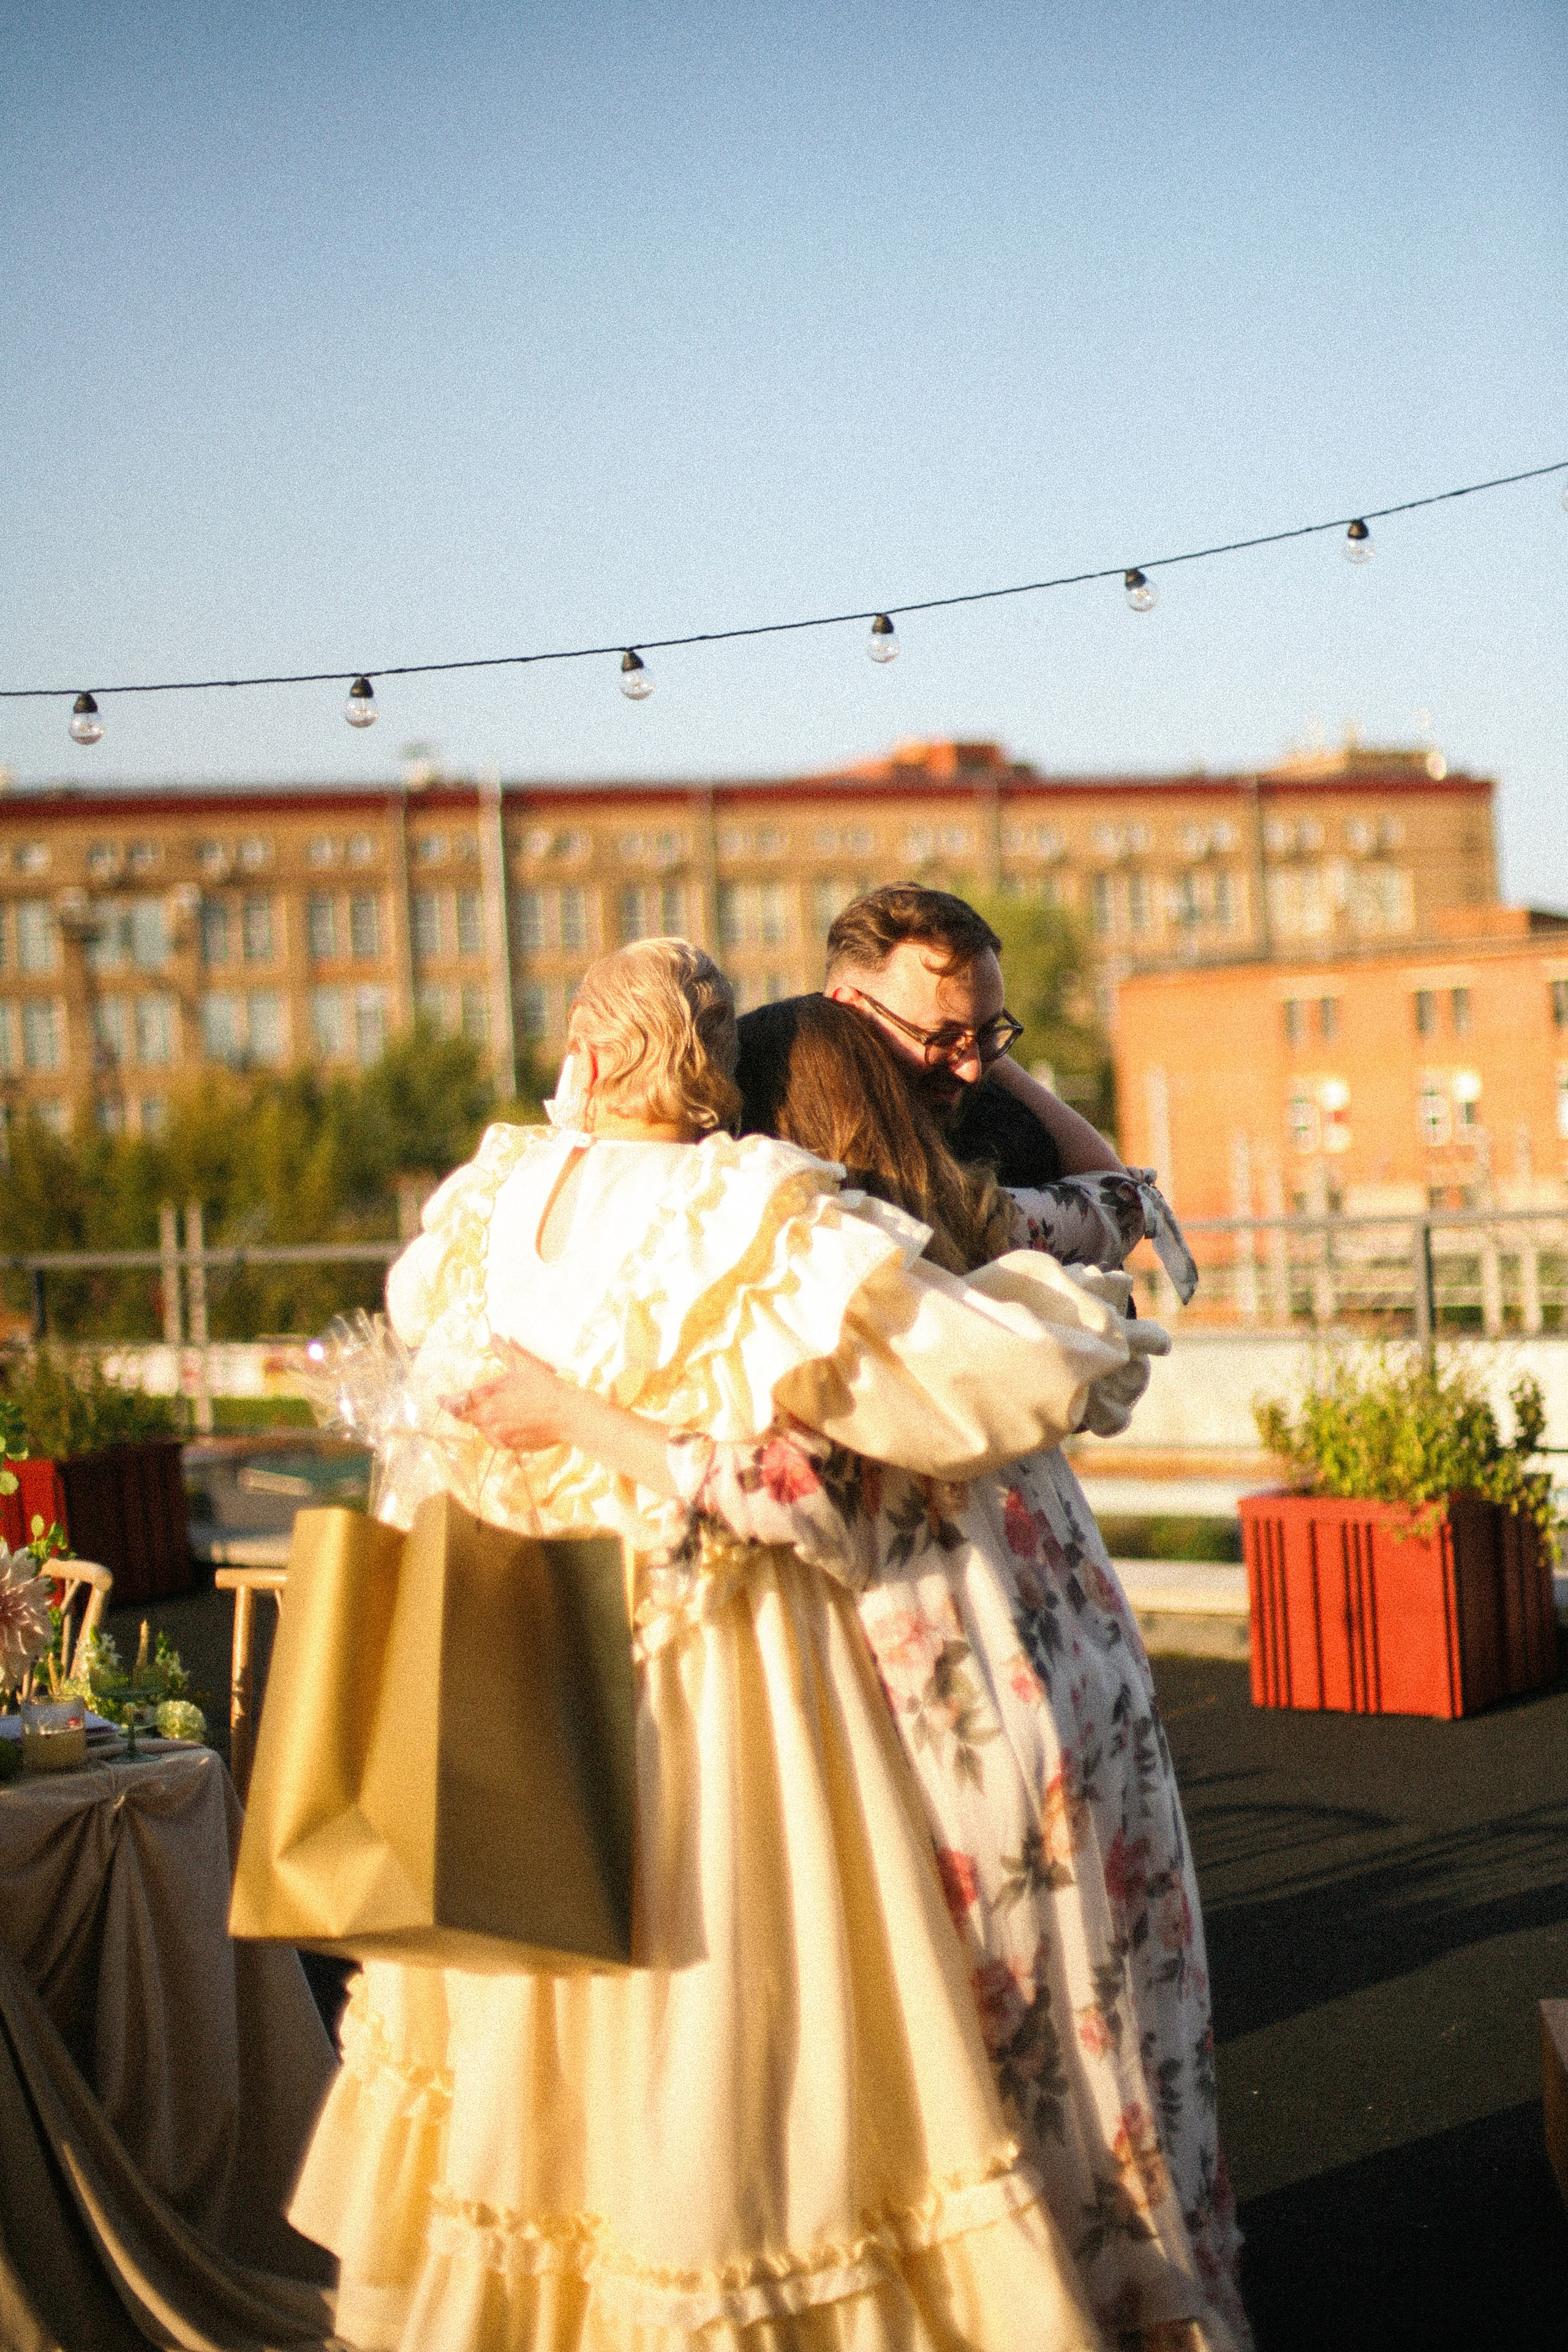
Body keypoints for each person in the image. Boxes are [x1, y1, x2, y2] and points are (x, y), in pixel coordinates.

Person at [286, 937, 1167, 2352]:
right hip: (724, 1691)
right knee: (738, 2033)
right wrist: (1065, 1323)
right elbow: (960, 1381)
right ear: (713, 1071)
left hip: (526, 1683)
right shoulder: (743, 1215)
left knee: (547, 2051)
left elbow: (416, 1379)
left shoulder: (476, 1208)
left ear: (582, 1057)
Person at [716, 995, 1246, 2351]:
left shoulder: (813, 1282)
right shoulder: (993, 1228)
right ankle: (1150, 2294)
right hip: (1073, 1642)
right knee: (1110, 1995)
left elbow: (788, 1498)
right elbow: (1124, 1198)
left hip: (942, 1668)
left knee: (977, 2016)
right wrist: (1001, 1065)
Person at [819, 881, 1121, 1188]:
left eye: (989, 1032)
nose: (972, 1070)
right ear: (850, 1011)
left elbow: (1116, 1192)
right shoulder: (785, 1150)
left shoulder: (991, 1123)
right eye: (943, 1038)